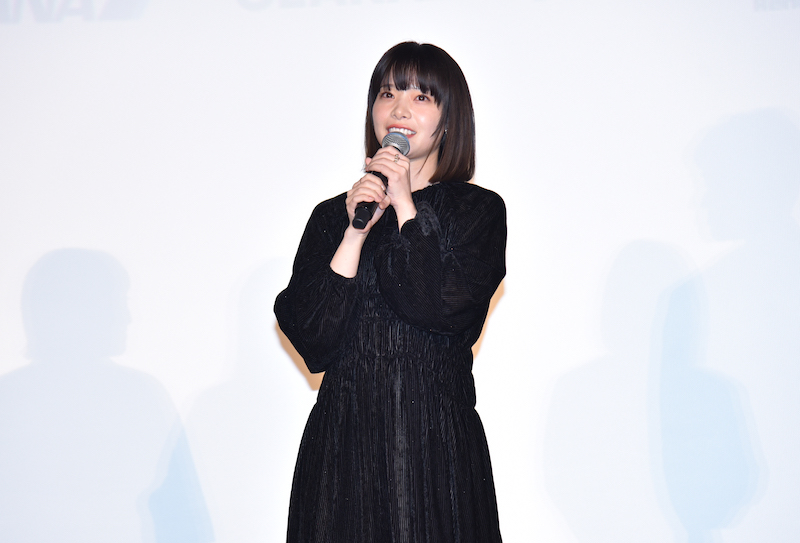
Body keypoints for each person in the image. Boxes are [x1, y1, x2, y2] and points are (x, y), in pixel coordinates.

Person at [275, 41, 506, 543]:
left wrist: (405, 207)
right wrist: (354, 233)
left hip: (433, 450)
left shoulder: (477, 211)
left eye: (421, 97)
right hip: (343, 452)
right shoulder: (332, 217)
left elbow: (435, 306)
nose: (399, 109)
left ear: (449, 119)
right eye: (387, 94)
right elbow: (314, 340)